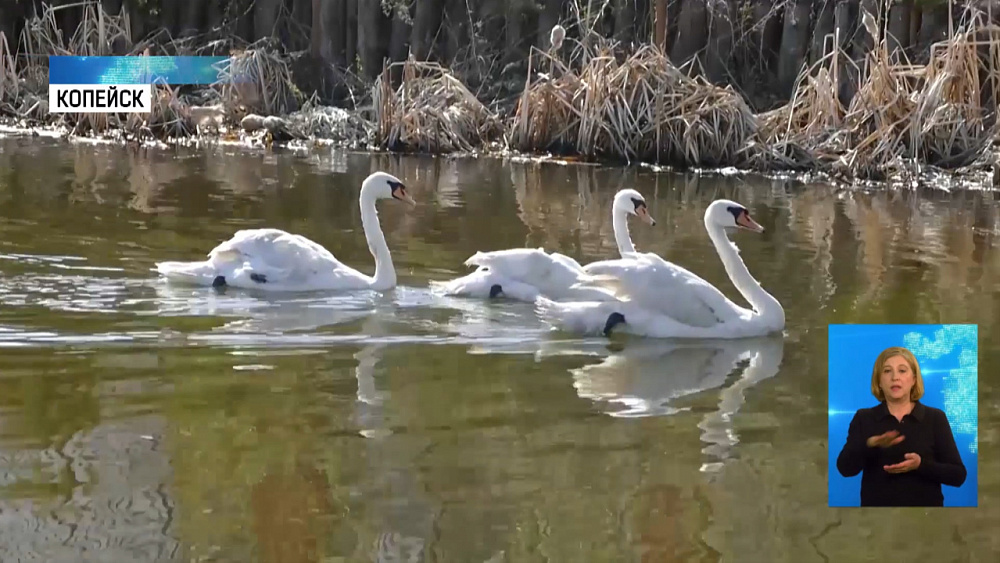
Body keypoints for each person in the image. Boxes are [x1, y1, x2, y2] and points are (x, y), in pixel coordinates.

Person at [835, 346, 967, 506]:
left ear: (913, 379)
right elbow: (845, 469)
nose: (895, 377)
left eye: (902, 371)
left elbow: (958, 475)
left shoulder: (935, 418)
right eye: (887, 371)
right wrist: (870, 445)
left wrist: (920, 465)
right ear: (879, 381)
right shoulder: (864, 418)